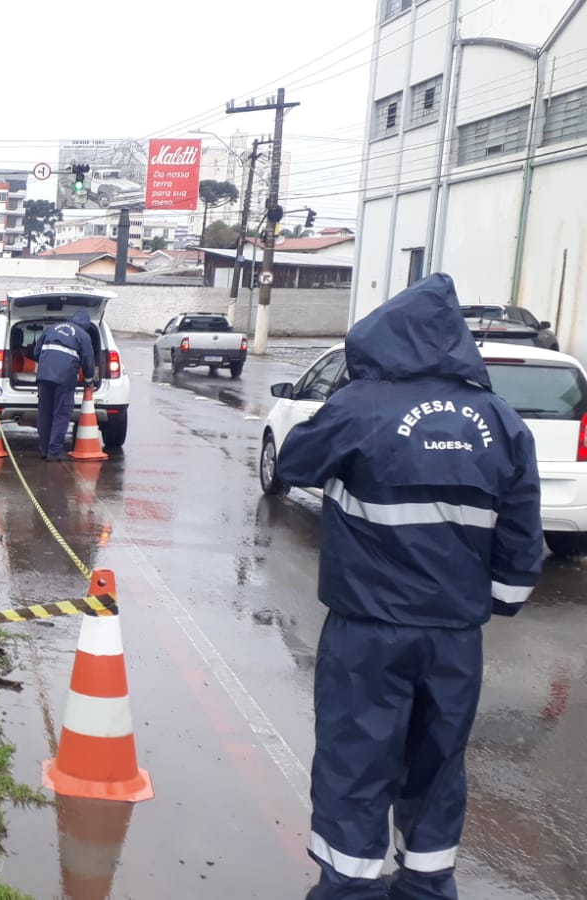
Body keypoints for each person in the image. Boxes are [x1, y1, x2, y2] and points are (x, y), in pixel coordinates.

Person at [275, 274, 543, 900]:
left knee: (356, 759)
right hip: (454, 634)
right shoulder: (499, 419)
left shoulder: (361, 406)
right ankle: (426, 887)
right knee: (437, 762)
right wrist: (505, 595)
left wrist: (345, 406)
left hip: (368, 629)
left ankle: (350, 889)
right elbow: (521, 522)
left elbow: (292, 464)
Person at [35, 308, 96, 461]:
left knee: (45, 412)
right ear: (86, 325)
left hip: (44, 376)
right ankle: (54, 452)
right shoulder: (84, 335)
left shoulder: (51, 328)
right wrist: (89, 381)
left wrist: (46, 364)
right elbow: (89, 362)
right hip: (64, 378)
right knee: (61, 414)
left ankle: (43, 449)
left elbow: (36, 352)